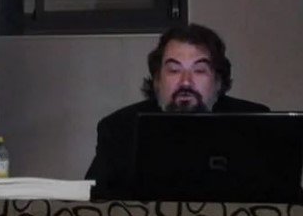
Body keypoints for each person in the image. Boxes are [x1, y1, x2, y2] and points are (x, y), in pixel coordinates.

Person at [85, 24, 269, 199]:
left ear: (218, 82)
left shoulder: (254, 125)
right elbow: (95, 203)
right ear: (157, 80)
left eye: (199, 70)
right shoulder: (119, 128)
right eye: (174, 70)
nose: (186, 82)